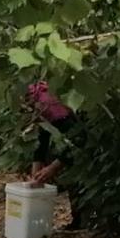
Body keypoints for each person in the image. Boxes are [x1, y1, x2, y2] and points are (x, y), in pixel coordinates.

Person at [25, 81, 86, 230]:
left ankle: (82, 221)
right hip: (75, 141)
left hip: (86, 140)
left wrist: (52, 168)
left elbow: (79, 140)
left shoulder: (52, 108)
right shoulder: (40, 108)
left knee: (75, 175)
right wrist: (35, 176)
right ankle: (78, 220)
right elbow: (41, 143)